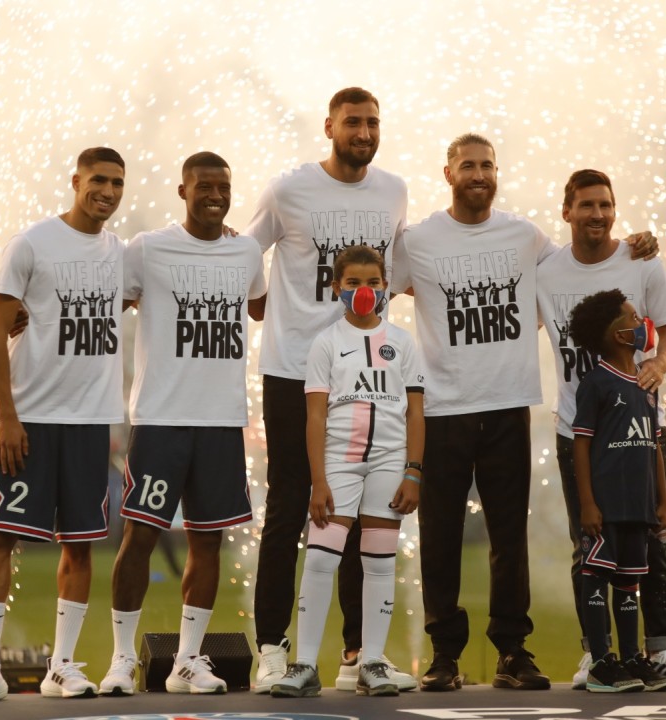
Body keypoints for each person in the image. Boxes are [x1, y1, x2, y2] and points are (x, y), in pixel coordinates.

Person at [391, 135, 656, 692]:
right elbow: (366, 285)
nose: (479, 174)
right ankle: (444, 655)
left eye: (487, 165)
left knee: (509, 538)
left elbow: (579, 267)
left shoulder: (525, 236)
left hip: (509, 404)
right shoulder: (416, 240)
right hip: (443, 409)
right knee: (439, 539)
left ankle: (513, 650)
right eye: (468, 166)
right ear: (448, 174)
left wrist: (632, 244)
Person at [246, 87, 416, 693]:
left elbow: (405, 269)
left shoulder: (394, 190)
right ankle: (271, 648)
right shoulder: (289, 188)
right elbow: (244, 255)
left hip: (365, 377)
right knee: (292, 505)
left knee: (361, 509)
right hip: (294, 371)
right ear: (329, 127)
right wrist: (266, 307)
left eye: (372, 121)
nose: (363, 131)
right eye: (352, 122)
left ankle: (354, 655)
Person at [0, 147, 128, 702]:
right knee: (1, 538)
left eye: (117, 183)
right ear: (76, 180)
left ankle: (62, 667)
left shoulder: (121, 253)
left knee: (79, 546)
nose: (107, 191)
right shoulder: (30, 243)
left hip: (89, 422)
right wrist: (7, 416)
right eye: (98, 180)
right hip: (28, 420)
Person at [98, 152, 267, 696]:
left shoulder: (246, 251)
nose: (216, 195)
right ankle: (122, 659)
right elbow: (107, 305)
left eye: (224, 186)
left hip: (221, 421)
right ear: (182, 191)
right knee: (141, 538)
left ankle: (188, 662)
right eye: (204, 187)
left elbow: (262, 308)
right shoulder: (147, 248)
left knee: (207, 543)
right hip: (160, 417)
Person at [535, 169, 666, 689]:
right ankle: (598, 654)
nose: (598, 214)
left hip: (643, 429)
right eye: (586, 205)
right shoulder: (544, 270)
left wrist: (661, 365)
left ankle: (660, 650)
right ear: (566, 211)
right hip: (579, 431)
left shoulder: (641, 260)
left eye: (606, 205)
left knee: (656, 540)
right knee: (587, 542)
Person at [269, 245, 424, 698]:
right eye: (353, 283)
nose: (364, 291)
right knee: (320, 558)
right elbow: (314, 416)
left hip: (389, 462)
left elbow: (416, 412)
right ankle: (303, 664)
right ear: (336, 288)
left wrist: (413, 471)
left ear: (386, 289)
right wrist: (318, 480)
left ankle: (371, 663)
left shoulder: (404, 342)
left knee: (378, 562)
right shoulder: (326, 342)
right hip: (339, 462)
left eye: (373, 283)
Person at [566, 288, 666, 693]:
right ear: (615, 334)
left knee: (630, 582)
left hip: (639, 505)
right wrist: (588, 503)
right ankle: (600, 663)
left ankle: (631, 658)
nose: (641, 323)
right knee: (596, 575)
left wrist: (662, 499)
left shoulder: (647, 382)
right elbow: (581, 444)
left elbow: (653, 445)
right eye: (631, 318)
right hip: (607, 507)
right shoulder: (595, 383)